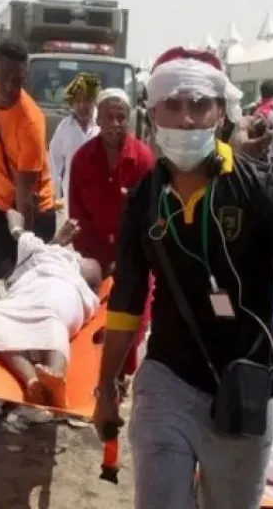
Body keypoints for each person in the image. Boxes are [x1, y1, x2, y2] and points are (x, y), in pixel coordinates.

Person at [93, 47, 273, 509]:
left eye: (199, 104)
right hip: (167, 381)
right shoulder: (144, 201)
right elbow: (126, 303)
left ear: (221, 111)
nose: (186, 119)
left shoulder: (260, 189)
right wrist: (105, 388)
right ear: (152, 113)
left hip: (243, 390)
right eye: (172, 104)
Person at [68, 87, 155, 386]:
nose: (115, 124)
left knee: (135, 320)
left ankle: (122, 375)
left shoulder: (143, 160)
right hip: (95, 257)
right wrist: (95, 260)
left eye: (121, 117)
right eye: (109, 117)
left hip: (133, 257)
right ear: (99, 118)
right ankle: (96, 375)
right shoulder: (82, 159)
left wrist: (130, 257)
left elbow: (149, 216)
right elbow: (77, 213)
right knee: (94, 320)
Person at [0, 210, 102, 407]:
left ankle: (50, 377)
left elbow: (14, 220)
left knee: (50, 319)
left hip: (56, 292)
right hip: (35, 299)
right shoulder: (43, 252)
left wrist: (20, 227)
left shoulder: (54, 256)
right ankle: (36, 379)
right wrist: (56, 241)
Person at [0, 40, 56, 284]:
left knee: (22, 285)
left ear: (25, 78)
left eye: (17, 80)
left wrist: (25, 245)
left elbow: (26, 192)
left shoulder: (30, 121)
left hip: (30, 213)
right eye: (4, 77)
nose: (10, 86)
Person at [49, 73, 101, 202]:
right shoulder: (64, 128)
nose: (82, 106)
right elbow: (53, 164)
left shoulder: (102, 126)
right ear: (72, 103)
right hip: (72, 199)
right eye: (78, 101)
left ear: (94, 101)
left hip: (99, 198)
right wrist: (55, 196)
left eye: (87, 100)